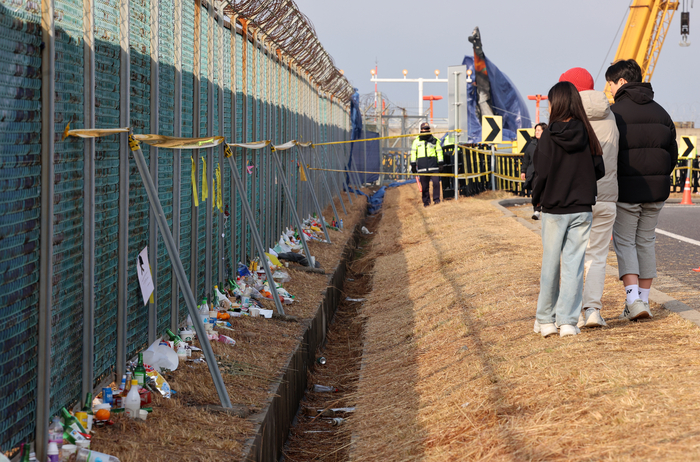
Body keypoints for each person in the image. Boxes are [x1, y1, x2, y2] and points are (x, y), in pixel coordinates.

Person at [605, 59, 677, 320]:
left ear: (621, 82)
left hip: (626, 191)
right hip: (656, 193)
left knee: (624, 241)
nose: (610, 89)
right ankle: (644, 301)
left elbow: (609, 153)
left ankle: (633, 300)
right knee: (646, 242)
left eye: (610, 84)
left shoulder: (615, 113)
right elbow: (673, 154)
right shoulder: (662, 112)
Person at [532, 81, 605, 338]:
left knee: (550, 264)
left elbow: (540, 173)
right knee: (573, 265)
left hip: (554, 207)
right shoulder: (587, 133)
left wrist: (536, 199)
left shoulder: (550, 135)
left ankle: (545, 320)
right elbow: (599, 169)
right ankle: (567, 323)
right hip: (582, 207)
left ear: (556, 104)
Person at [559, 67, 620, 328]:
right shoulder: (610, 115)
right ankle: (593, 310)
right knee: (597, 256)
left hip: (575, 197)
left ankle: (569, 316)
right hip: (606, 196)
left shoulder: (566, 116)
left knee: (571, 255)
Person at [411, 122, 445, 207]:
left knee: (436, 183)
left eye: (427, 129)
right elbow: (413, 153)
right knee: (425, 186)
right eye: (424, 129)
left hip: (434, 166)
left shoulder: (435, 141)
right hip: (422, 167)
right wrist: (413, 165)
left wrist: (440, 163)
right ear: (421, 130)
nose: (426, 130)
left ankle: (436, 200)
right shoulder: (416, 141)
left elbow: (439, 152)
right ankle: (426, 202)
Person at [520, 122, 547, 219]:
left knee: (545, 191)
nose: (537, 132)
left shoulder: (549, 144)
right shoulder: (531, 144)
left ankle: (545, 209)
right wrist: (523, 171)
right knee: (535, 191)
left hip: (546, 172)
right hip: (533, 173)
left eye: (539, 130)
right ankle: (536, 210)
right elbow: (526, 159)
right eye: (536, 130)